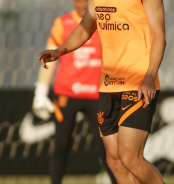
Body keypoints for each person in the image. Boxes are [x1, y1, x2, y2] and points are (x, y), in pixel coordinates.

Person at [38, 0, 166, 183]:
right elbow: (85, 28)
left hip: (137, 83)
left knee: (130, 158)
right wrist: (59, 51)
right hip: (108, 84)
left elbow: (159, 36)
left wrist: (150, 76)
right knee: (114, 161)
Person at [32, 0, 117, 184]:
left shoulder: (105, 22)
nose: (81, 2)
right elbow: (50, 58)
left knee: (106, 148)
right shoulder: (61, 23)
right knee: (61, 145)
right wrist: (40, 91)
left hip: (97, 95)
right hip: (66, 94)